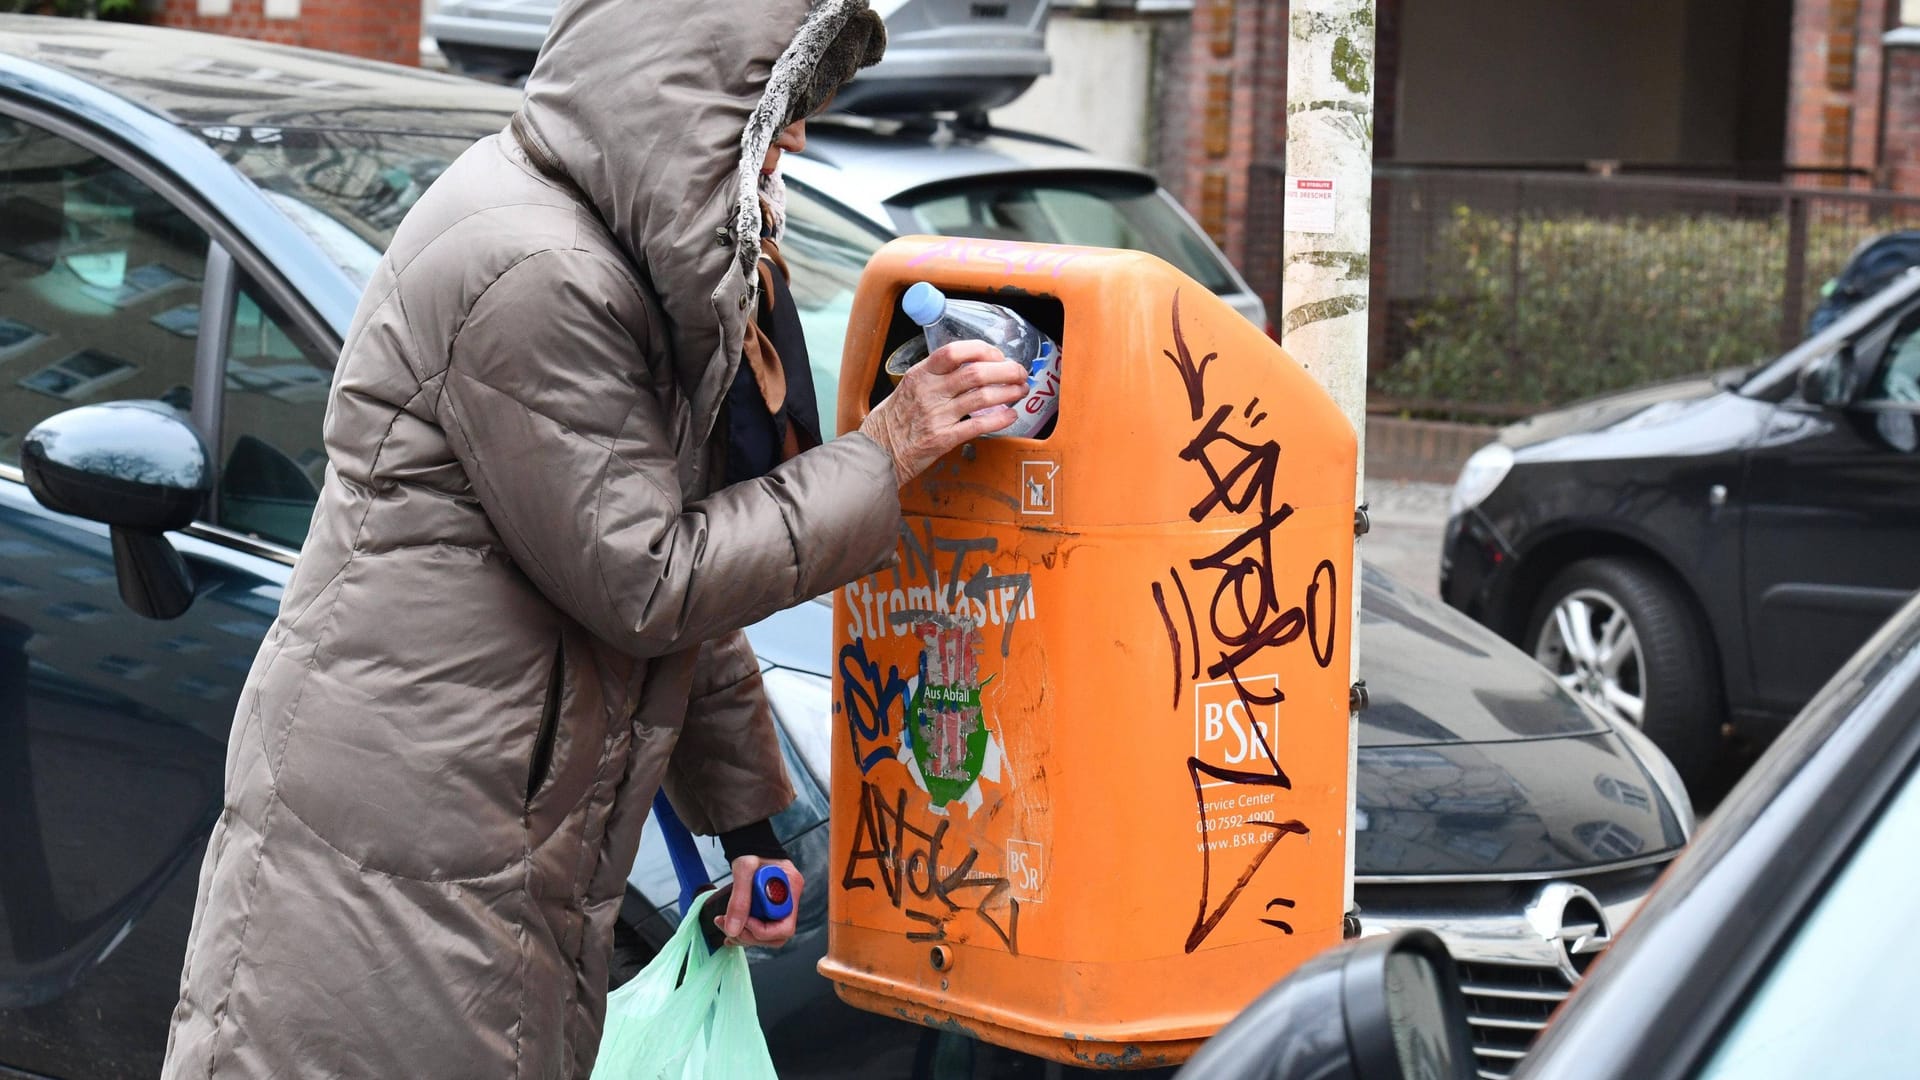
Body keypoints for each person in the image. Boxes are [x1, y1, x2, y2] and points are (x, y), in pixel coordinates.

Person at [158, 0, 1030, 1076]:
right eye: (774, 113)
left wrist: (749, 825)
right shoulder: (535, 270)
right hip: (407, 849)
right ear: (684, 105)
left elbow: (668, 577)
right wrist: (887, 451)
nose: (794, 145)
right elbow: (650, 581)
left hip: (492, 835)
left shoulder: (614, 253)